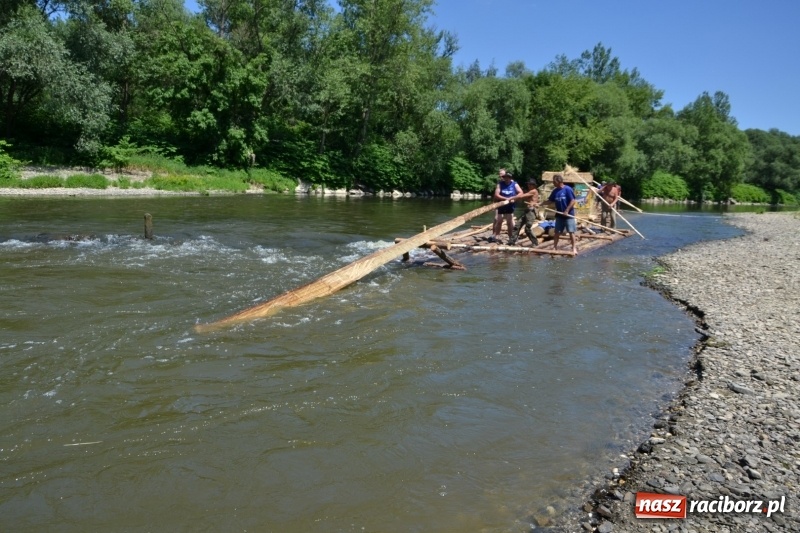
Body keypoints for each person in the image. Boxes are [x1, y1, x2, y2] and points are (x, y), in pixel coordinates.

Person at [543, 174, 577, 255]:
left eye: (554, 181)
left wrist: (567, 210)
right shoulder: (555, 191)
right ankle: (555, 247)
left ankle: (574, 248)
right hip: (559, 215)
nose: (553, 183)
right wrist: (540, 204)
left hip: (568, 215)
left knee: (571, 232)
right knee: (557, 232)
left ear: (558, 181)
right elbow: (550, 200)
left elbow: (573, 201)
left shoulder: (567, 189)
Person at [489, 169, 523, 243]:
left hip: (510, 205)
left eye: (508, 177)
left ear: (511, 178)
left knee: (509, 222)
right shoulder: (500, 184)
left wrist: (513, 198)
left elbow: (521, 193)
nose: (507, 179)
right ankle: (496, 236)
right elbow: (496, 194)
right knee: (499, 221)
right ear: (504, 177)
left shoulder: (515, 184)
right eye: (505, 177)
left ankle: (511, 237)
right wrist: (506, 199)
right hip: (501, 204)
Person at [509, 179, 540, 246]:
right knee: (517, 225)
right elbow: (524, 197)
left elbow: (522, 196)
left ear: (533, 185)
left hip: (531, 211)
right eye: (528, 184)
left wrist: (512, 198)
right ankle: (512, 241)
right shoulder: (530, 191)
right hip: (527, 211)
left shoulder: (534, 191)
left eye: (529, 184)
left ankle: (535, 243)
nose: (528, 185)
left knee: (527, 228)